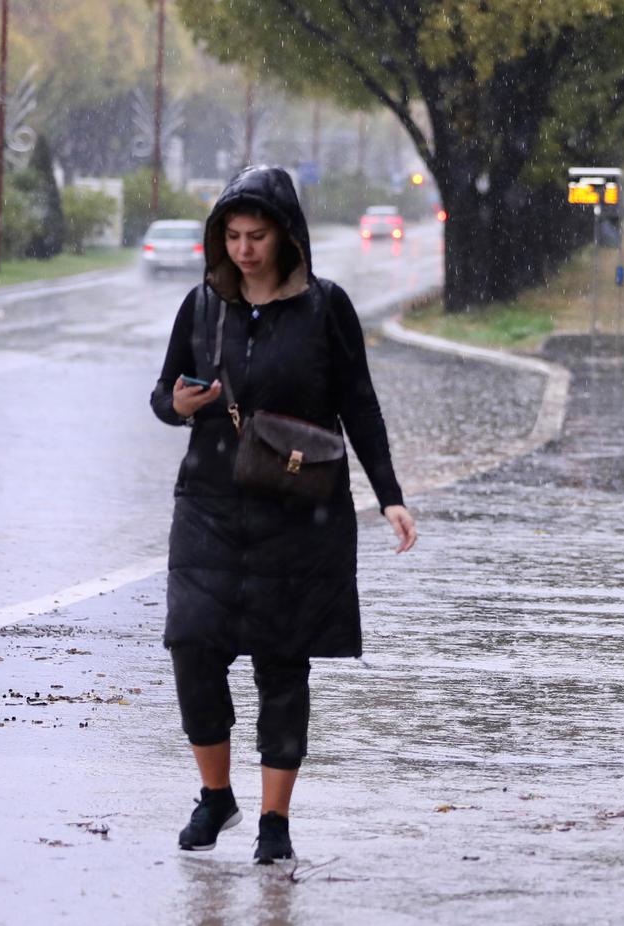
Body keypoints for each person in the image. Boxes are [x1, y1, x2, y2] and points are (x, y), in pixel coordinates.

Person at [149, 166, 418, 863]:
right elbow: (161, 394)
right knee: (191, 646)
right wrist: (176, 405)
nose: (243, 250)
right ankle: (216, 798)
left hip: (299, 509)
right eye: (232, 236)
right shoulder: (202, 307)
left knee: (282, 662)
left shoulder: (326, 309)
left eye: (257, 235)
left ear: (286, 235)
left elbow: (358, 403)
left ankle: (275, 821)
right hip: (208, 502)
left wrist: (388, 494)